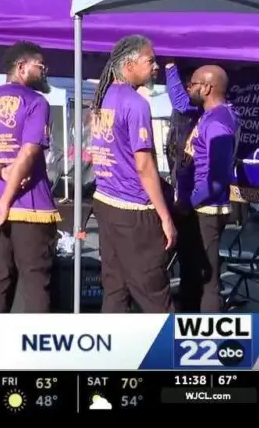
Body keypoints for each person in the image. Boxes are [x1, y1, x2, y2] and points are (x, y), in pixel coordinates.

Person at [0, 41, 60, 312]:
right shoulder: (36, 102)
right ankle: (31, 345)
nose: (44, 72)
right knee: (35, 279)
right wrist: (7, 200)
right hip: (29, 204)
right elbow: (28, 153)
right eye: (40, 66)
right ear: (21, 67)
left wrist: (0, 173)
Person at [89, 35, 176, 313]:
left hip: (105, 202)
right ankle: (170, 352)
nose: (156, 67)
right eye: (150, 60)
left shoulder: (102, 100)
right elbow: (145, 165)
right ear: (129, 65)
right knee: (154, 293)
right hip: (133, 210)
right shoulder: (136, 104)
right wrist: (165, 217)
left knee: (116, 289)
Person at [167, 64, 238, 312]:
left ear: (207, 88)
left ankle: (210, 334)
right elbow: (178, 100)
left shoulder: (219, 122)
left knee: (207, 279)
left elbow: (217, 178)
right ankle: (187, 321)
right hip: (195, 207)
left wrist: (189, 202)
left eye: (193, 84)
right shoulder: (205, 114)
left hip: (206, 210)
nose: (189, 88)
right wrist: (170, 68)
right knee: (190, 271)